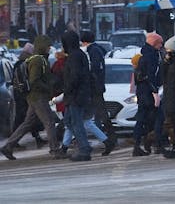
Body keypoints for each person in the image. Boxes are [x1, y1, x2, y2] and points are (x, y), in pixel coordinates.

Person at [1, 36, 60, 160]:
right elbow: (34, 80)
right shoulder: (37, 60)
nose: (50, 48)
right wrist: (47, 88)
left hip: (35, 97)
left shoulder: (38, 59)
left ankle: (8, 146)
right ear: (42, 46)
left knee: (27, 123)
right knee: (49, 122)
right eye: (48, 46)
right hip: (38, 97)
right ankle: (55, 150)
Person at [61, 30, 93, 161]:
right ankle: (83, 144)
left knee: (75, 122)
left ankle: (84, 149)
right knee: (69, 121)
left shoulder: (74, 56)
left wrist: (67, 90)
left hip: (75, 95)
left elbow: (75, 77)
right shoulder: (79, 54)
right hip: (79, 93)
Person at [80, 30, 116, 143]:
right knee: (98, 113)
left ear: (84, 42)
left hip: (94, 88)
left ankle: (110, 137)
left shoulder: (93, 51)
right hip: (97, 87)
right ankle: (109, 136)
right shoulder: (96, 50)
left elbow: (95, 69)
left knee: (97, 112)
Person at [11, 43, 47, 149]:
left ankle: (36, 138)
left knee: (29, 118)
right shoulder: (25, 63)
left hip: (21, 94)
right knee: (24, 119)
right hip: (24, 94)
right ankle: (12, 142)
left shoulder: (20, 62)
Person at [132, 32, 163, 156]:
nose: (161, 46)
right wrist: (155, 91)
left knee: (142, 118)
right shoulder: (152, 56)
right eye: (160, 43)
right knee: (158, 117)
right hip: (148, 92)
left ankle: (138, 144)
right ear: (155, 43)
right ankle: (156, 143)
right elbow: (151, 75)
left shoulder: (143, 56)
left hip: (142, 91)